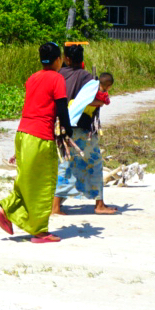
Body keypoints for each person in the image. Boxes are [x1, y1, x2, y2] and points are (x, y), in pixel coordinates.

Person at [0, 41, 72, 243]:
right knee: (43, 183)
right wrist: (67, 131)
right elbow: (61, 108)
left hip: (22, 134)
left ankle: (6, 209)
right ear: (57, 60)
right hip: (40, 136)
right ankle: (40, 232)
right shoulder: (57, 78)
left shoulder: (32, 78)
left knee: (25, 180)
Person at [54, 44, 118, 217]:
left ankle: (56, 206)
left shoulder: (59, 75)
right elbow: (92, 101)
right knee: (94, 162)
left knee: (65, 164)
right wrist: (102, 101)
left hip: (61, 126)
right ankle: (99, 204)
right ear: (81, 59)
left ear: (66, 59)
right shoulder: (88, 78)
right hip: (81, 127)